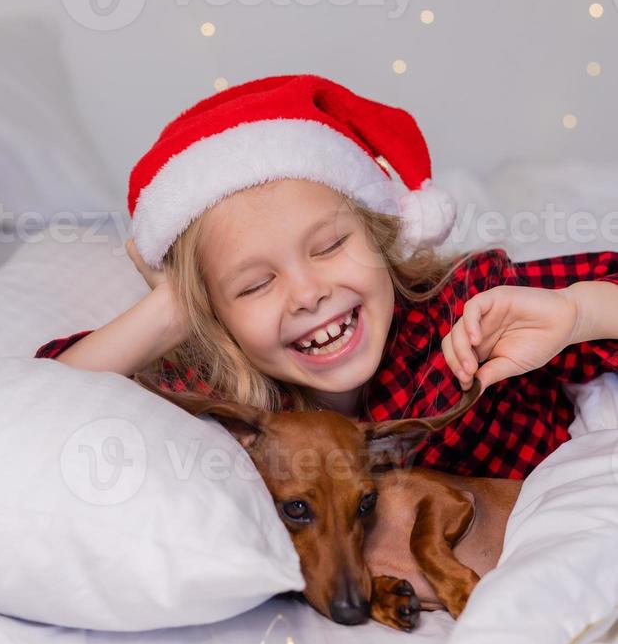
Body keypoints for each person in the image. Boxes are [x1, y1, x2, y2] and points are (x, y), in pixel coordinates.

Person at [34, 74, 618, 479]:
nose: (308, 292)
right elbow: (39, 405)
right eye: (255, 284)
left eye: (331, 245)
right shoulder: (222, 393)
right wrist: (174, 310)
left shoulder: (469, 312)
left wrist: (578, 316)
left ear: (380, 236)